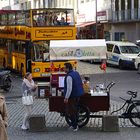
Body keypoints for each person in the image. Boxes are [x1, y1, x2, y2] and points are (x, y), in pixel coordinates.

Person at [63, 63, 84, 131]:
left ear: (68, 68)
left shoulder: (69, 76)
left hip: (72, 96)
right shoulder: (76, 73)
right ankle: (74, 124)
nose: (64, 69)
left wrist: (66, 98)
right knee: (75, 110)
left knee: (72, 111)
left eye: (65, 68)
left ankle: (75, 126)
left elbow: (69, 88)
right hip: (78, 94)